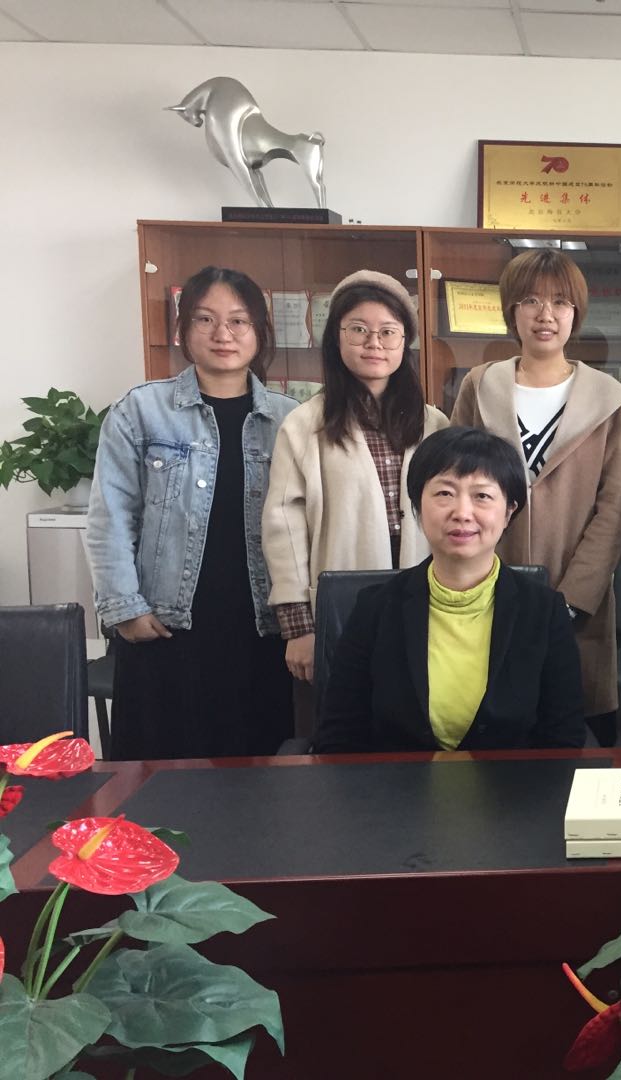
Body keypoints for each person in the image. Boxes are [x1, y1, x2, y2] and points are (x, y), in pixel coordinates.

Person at [86, 266, 298, 759]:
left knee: (258, 777)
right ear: (183, 329)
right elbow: (110, 518)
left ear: (259, 332)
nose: (223, 334)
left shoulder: (289, 419)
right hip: (164, 628)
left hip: (260, 630)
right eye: (205, 319)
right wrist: (125, 608)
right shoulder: (141, 411)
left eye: (239, 321)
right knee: (157, 778)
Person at [450, 250, 621, 745]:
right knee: (489, 731)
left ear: (577, 312)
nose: (545, 314)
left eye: (560, 302)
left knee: (573, 731)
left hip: (578, 603)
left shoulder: (607, 397)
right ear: (511, 310)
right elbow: (454, 484)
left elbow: (616, 507)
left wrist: (571, 601)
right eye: (530, 300)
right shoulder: (479, 385)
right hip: (486, 590)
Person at [312, 427, 585, 753]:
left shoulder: (544, 611)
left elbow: (563, 741)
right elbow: (339, 739)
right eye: (444, 493)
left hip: (512, 784)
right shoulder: (375, 608)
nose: (462, 513)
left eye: (482, 496)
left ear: (509, 511)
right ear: (418, 504)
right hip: (397, 784)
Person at [263, 270, 450, 688]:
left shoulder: (434, 422)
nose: (374, 343)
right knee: (350, 710)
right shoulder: (305, 424)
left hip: (427, 596)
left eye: (388, 331)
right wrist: (298, 628)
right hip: (341, 600)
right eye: (359, 329)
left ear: (405, 341)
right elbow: (283, 529)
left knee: (424, 703)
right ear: (336, 337)